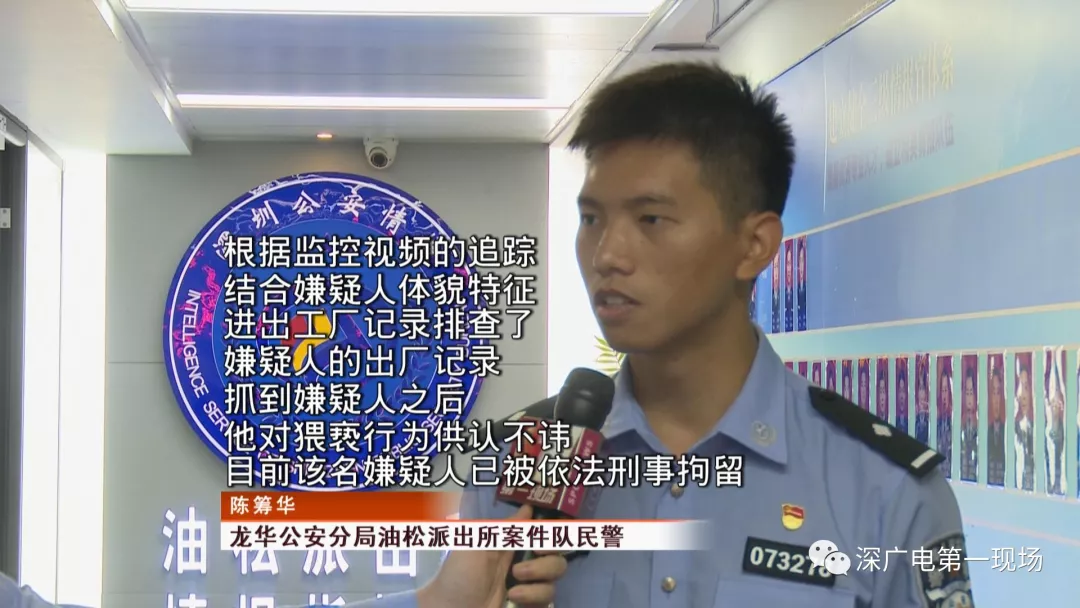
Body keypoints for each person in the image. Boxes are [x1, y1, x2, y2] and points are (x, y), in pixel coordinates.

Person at [0, 61, 971, 608]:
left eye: (651, 220)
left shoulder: (888, 488)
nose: (607, 255)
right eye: (591, 218)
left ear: (753, 244)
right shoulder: (528, 459)